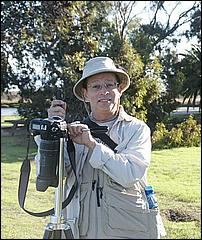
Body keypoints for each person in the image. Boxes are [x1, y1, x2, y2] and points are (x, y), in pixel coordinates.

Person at [35, 56, 166, 239]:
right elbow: (50, 177)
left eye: (109, 85)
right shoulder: (73, 132)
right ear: (86, 94)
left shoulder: (136, 129)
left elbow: (130, 173)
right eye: (96, 86)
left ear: (119, 89)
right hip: (79, 231)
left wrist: (91, 145)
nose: (104, 91)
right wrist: (50, 135)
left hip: (128, 230)